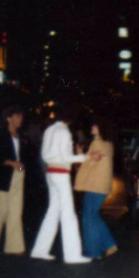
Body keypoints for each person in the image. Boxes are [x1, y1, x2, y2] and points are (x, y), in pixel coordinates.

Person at [31, 105, 98, 263]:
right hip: (61, 174)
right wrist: (86, 157)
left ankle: (40, 250)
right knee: (68, 214)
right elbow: (66, 157)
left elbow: (45, 155)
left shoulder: (49, 130)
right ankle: (72, 255)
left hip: (50, 172)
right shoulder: (64, 131)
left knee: (53, 211)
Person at [0, 105, 28, 255]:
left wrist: (22, 167)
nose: (21, 119)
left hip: (18, 175)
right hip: (3, 176)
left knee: (16, 210)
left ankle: (14, 247)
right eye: (18, 116)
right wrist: (11, 163)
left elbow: (25, 157)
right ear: (10, 118)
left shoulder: (20, 136)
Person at [73, 120, 117, 259]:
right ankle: (108, 245)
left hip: (95, 185)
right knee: (92, 215)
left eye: (95, 125)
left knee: (88, 217)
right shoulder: (109, 144)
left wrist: (79, 155)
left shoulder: (97, 143)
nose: (92, 127)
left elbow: (89, 165)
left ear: (101, 128)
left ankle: (94, 251)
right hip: (102, 186)